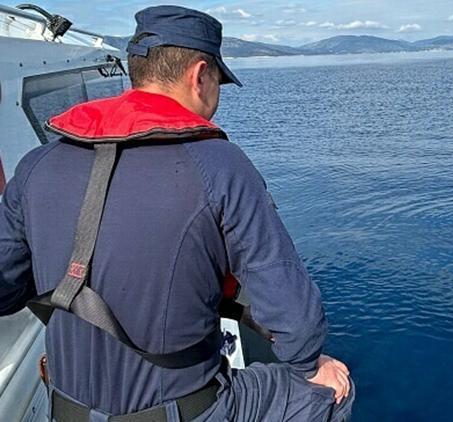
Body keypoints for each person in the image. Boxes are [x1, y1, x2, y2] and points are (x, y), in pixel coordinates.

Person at [0, 6, 353, 422]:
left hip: (69, 408)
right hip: (184, 412)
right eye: (218, 82)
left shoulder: (37, 163)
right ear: (199, 74)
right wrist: (311, 362)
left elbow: (5, 290)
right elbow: (298, 325)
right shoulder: (221, 165)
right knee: (330, 388)